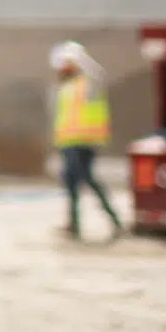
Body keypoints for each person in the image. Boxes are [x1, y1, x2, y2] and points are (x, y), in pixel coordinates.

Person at [50, 41, 120, 240]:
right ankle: (74, 224)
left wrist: (81, 58)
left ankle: (113, 219)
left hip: (84, 141)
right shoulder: (66, 87)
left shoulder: (87, 85)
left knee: (87, 179)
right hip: (68, 142)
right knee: (71, 182)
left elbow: (99, 76)